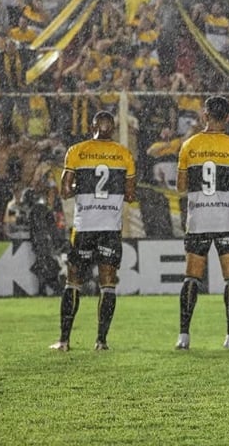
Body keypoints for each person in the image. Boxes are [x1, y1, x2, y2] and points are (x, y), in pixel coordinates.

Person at [50, 111, 136, 352]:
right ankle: (101, 341)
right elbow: (130, 195)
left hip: (85, 225)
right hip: (110, 227)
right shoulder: (123, 154)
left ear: (93, 125)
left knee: (73, 281)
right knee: (107, 283)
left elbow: (65, 191)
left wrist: (84, 185)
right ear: (114, 127)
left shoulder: (77, 151)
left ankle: (64, 341)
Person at [176, 96, 229, 350]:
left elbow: (180, 187)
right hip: (226, 218)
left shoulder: (190, 144)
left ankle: (184, 336)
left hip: (198, 218)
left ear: (204, 115)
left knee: (192, 278)